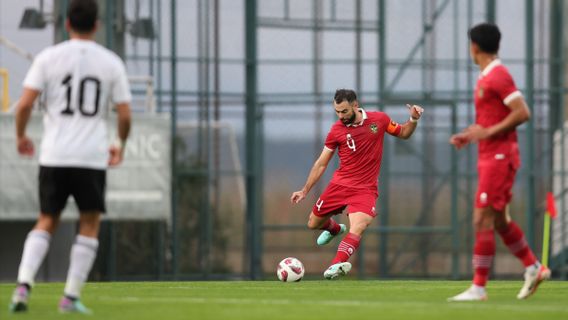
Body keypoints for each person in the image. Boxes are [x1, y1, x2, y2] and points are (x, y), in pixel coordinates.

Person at [9, 0, 131, 313]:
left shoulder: (48, 58)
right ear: (97, 26)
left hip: (54, 154)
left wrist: (21, 136)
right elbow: (125, 113)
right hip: (90, 156)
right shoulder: (110, 62)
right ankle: (71, 297)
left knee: (47, 218)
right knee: (89, 222)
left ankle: (23, 285)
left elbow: (23, 105)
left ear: (66, 24)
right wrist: (119, 142)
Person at [448, 23, 549, 302]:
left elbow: (522, 112)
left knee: (482, 218)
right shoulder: (486, 76)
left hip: (500, 157)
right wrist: (471, 135)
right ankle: (533, 267)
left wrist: (488, 133)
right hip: (490, 155)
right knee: (500, 220)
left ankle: (478, 287)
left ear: (474, 47)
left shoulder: (498, 76)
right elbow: (491, 120)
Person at [290, 89, 423, 279]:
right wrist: (304, 190)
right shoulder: (336, 130)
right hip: (340, 184)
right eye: (337, 111)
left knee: (359, 225)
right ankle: (335, 229)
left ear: (355, 105)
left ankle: (336, 265)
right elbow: (321, 163)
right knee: (313, 223)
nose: (340, 116)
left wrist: (413, 120)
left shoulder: (379, 120)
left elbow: (403, 133)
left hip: (365, 188)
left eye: (344, 111)